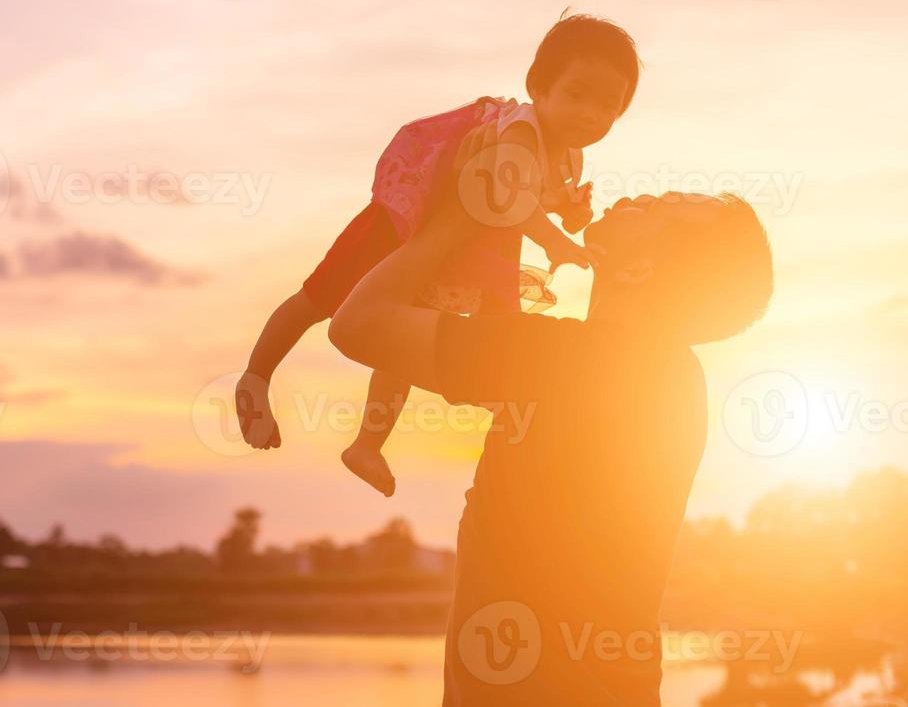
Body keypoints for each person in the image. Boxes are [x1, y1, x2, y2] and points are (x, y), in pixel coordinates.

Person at [328, 122, 774, 704]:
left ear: (641, 271)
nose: (640, 196)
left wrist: (467, 211)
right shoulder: (668, 376)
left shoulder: (570, 362)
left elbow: (357, 325)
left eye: (660, 209)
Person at [235, 13, 642, 497]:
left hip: (456, 245)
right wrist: (556, 242)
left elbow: (541, 200)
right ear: (539, 87)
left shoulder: (567, 154)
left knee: (407, 341)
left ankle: (368, 444)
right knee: (322, 296)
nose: (590, 116)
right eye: (577, 95)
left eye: (607, 107)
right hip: (407, 219)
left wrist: (570, 211)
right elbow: (510, 198)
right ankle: (256, 376)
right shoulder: (521, 128)